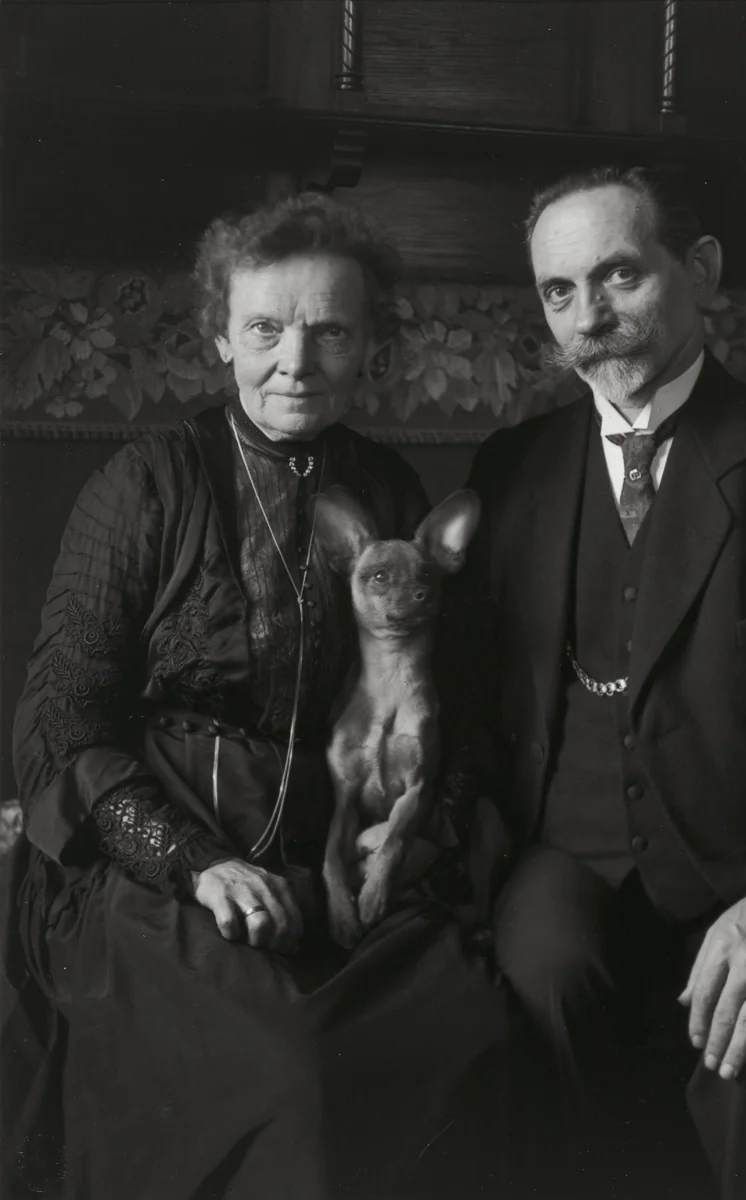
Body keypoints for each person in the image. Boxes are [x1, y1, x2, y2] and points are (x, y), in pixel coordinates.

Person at [0, 192, 510, 1200]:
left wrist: (410, 838)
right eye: (267, 329)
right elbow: (64, 723)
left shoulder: (394, 491)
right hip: (160, 853)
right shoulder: (145, 484)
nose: (296, 361)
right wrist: (197, 866)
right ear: (220, 336)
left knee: (468, 1021)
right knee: (291, 1072)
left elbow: (457, 710)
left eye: (330, 331)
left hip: (338, 851)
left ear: (369, 346)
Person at [438, 165, 746, 1198]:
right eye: (560, 292)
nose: (590, 319)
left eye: (619, 277)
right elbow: (465, 706)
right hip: (567, 864)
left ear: (699, 272)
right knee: (535, 984)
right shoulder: (511, 470)